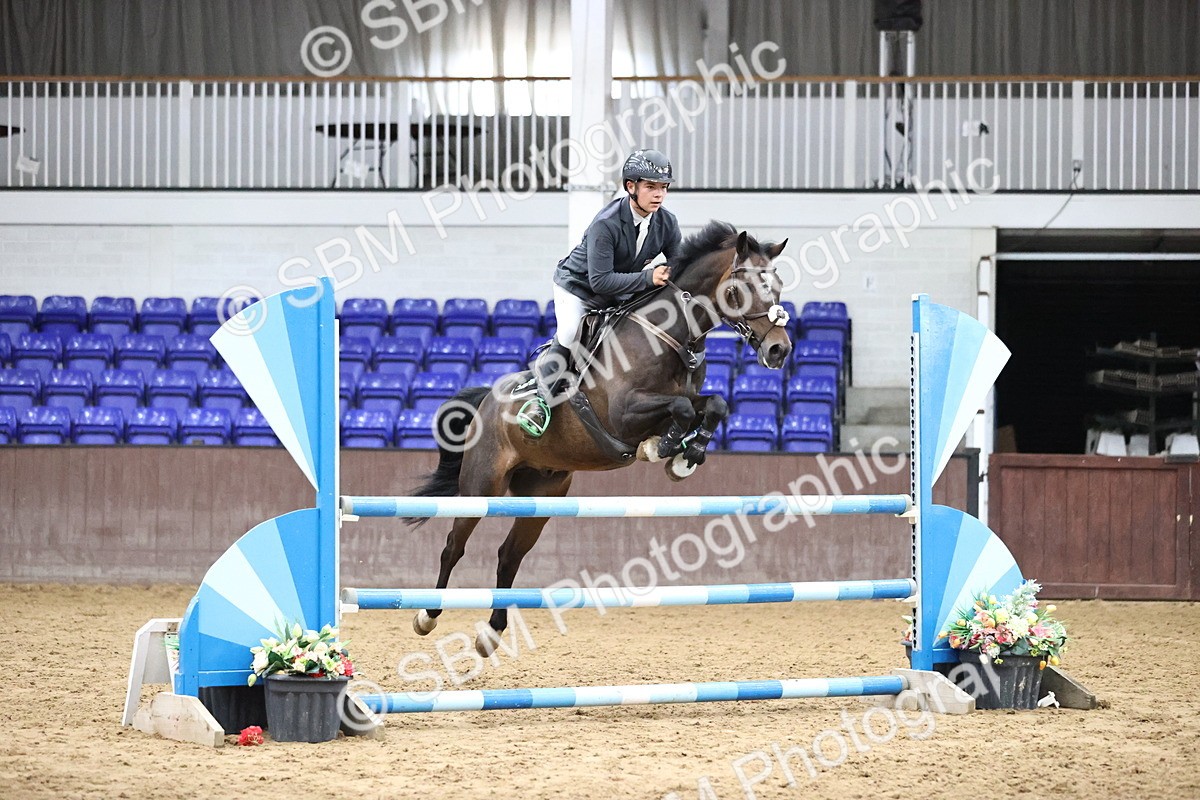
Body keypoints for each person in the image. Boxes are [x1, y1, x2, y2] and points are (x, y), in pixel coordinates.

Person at [516, 149, 683, 436]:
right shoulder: (606, 224)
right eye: (651, 187)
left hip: (618, 291)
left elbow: (680, 266)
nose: (659, 194)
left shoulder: (666, 223)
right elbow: (601, 282)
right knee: (570, 332)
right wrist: (648, 277)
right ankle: (540, 399)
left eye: (663, 187)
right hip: (579, 287)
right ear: (631, 187)